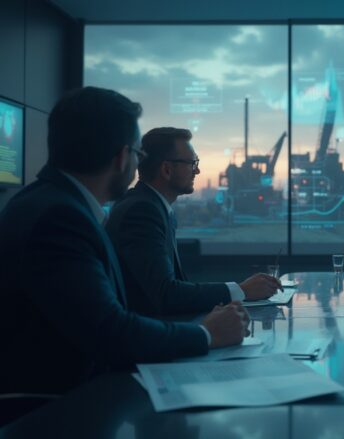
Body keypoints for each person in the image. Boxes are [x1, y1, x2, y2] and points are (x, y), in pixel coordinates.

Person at [0, 87, 250, 395]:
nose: (138, 166)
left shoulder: (49, 203)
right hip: (58, 408)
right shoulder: (61, 219)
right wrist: (205, 334)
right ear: (122, 157)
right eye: (137, 154)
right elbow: (109, 332)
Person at [106, 127, 281, 317]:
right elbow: (167, 295)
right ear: (167, 169)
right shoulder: (142, 212)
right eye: (192, 163)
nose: (197, 170)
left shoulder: (151, 206)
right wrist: (241, 290)